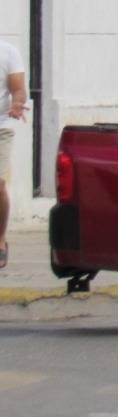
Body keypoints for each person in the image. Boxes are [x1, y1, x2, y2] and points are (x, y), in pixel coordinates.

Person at [0, 41, 25, 270]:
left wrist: (17, 104)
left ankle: (0, 239)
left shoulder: (8, 52)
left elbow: (18, 89)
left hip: (1, 126)